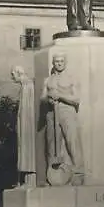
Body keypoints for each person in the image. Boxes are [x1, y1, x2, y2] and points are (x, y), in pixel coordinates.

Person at [40, 53, 84, 182]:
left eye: (61, 61)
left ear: (65, 63)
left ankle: (78, 171)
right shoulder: (48, 80)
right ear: (53, 63)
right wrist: (48, 98)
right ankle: (53, 174)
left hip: (67, 112)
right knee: (51, 143)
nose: (59, 63)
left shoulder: (71, 78)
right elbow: (42, 98)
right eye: (56, 61)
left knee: (72, 141)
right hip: (51, 113)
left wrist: (60, 95)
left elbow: (76, 99)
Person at [11, 66, 36, 186]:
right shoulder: (24, 85)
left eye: (13, 74)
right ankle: (24, 179)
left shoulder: (27, 85)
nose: (12, 77)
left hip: (27, 123)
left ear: (18, 73)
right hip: (24, 122)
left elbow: (27, 108)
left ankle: (29, 179)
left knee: (27, 148)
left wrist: (23, 122)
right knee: (23, 148)